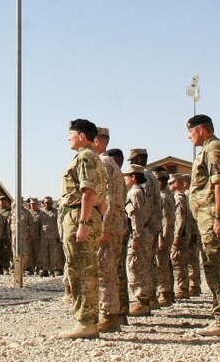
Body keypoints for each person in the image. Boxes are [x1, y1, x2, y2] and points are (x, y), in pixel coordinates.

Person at [187, 114, 220, 336]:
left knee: (219, 269)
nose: (189, 136)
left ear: (202, 130)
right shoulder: (208, 149)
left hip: (213, 219)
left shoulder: (213, 148)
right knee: (213, 266)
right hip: (207, 218)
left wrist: (218, 217)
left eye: (191, 131)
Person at [58, 118, 106, 339]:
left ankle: (86, 323)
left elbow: (88, 192)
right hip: (84, 215)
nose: (68, 138)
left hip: (80, 215)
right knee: (83, 268)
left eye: (72, 134)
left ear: (82, 136)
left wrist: (84, 223)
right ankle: (87, 321)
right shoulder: (91, 157)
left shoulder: (86, 157)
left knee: (82, 271)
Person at [92, 128, 127, 333]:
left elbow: (108, 200)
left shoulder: (103, 165)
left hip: (107, 227)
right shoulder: (113, 165)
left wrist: (102, 228)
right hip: (115, 226)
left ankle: (108, 315)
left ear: (97, 142)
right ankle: (113, 313)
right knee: (112, 270)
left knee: (104, 271)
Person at [125, 165, 153, 315]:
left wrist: (135, 236)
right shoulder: (144, 192)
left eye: (127, 176)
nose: (125, 179)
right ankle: (144, 300)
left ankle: (141, 302)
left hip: (139, 234)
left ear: (133, 177)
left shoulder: (134, 193)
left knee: (135, 267)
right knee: (143, 266)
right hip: (144, 232)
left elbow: (135, 216)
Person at [154, 166, 176, 307]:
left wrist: (162, 238)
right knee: (165, 264)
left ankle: (164, 293)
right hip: (166, 234)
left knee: (161, 265)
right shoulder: (168, 195)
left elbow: (165, 219)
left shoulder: (163, 197)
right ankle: (167, 292)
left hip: (163, 235)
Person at [169, 173, 192, 299]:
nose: (169, 186)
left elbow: (180, 218)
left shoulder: (179, 198)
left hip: (181, 235)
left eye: (171, 183)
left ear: (176, 183)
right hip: (184, 234)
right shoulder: (183, 197)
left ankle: (182, 288)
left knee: (178, 262)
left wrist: (177, 236)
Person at [36, 196, 61, 276]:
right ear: (44, 203)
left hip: (54, 237)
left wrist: (59, 236)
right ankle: (45, 270)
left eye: (49, 203)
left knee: (53, 254)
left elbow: (59, 224)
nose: (48, 204)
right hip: (44, 237)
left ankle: (52, 270)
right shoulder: (41, 212)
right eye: (46, 203)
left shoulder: (56, 212)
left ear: (52, 203)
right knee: (44, 254)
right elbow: (38, 225)